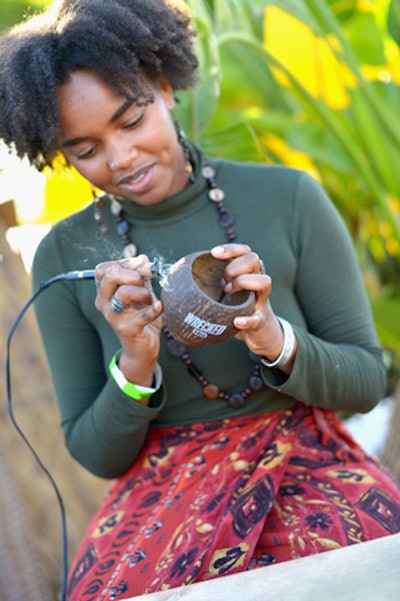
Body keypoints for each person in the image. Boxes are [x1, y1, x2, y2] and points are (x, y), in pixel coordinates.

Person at [1, 0, 400, 599]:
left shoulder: (288, 198)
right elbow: (95, 453)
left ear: (165, 87)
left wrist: (272, 337)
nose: (121, 158)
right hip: (161, 491)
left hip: (307, 457)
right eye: (85, 150)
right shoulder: (63, 254)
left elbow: (367, 380)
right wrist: (135, 363)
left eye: (132, 120)